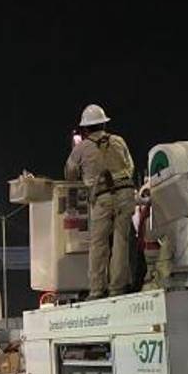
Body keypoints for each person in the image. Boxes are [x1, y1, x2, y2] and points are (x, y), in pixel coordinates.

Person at [64, 103, 136, 299]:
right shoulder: (118, 141)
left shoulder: (82, 148)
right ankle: (117, 288)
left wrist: (85, 174)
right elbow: (130, 167)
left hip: (103, 197)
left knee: (98, 245)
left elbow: (69, 173)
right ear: (104, 124)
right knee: (121, 242)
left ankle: (97, 290)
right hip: (126, 193)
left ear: (85, 128)